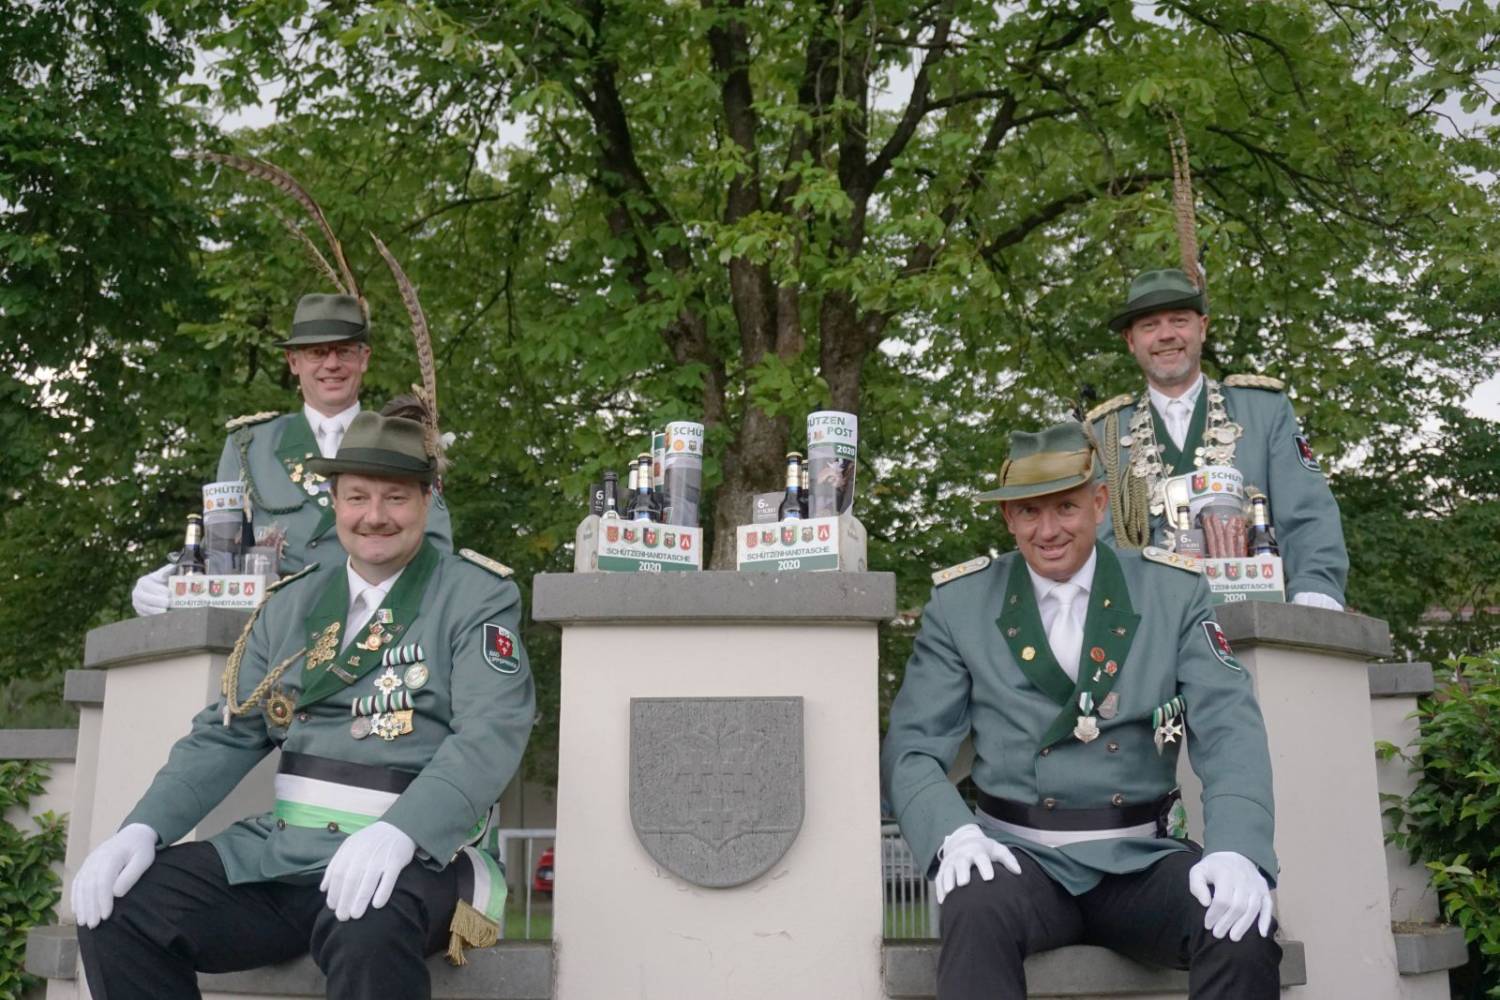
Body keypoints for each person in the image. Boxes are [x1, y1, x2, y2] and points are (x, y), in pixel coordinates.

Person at [75, 411, 531, 999]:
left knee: (366, 922)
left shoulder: (475, 595)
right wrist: (143, 827)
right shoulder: (291, 604)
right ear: (335, 503)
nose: (374, 516)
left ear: (426, 499)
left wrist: (403, 832)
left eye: (395, 497)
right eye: (357, 497)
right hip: (285, 854)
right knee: (121, 907)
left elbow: (489, 733)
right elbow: (227, 732)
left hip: (422, 858)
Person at [881, 422, 1280, 1000]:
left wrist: (1239, 849)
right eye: (1028, 512)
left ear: (1098, 504)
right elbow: (914, 747)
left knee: (1244, 927)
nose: (1048, 530)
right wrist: (953, 835)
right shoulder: (960, 604)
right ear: (1008, 519)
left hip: (1141, 857)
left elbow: (1230, 729)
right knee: (974, 907)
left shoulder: (1172, 592)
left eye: (1065, 507)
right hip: (1019, 857)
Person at [131, 293, 453, 614]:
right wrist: (176, 574)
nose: (332, 364)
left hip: (375, 624)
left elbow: (437, 549)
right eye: (317, 352)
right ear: (293, 362)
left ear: (364, 358)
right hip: (269, 631)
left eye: (343, 351)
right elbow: (221, 549)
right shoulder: (248, 445)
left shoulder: (404, 441)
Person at [1088, 268, 1347, 609]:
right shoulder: (1105, 433)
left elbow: (1308, 511)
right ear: (1131, 341)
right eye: (1150, 326)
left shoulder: (1263, 410)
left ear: (1203, 328)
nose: (1166, 335)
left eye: (1179, 320)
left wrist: (1316, 586)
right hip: (1151, 624)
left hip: (1255, 613)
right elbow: (1098, 542)